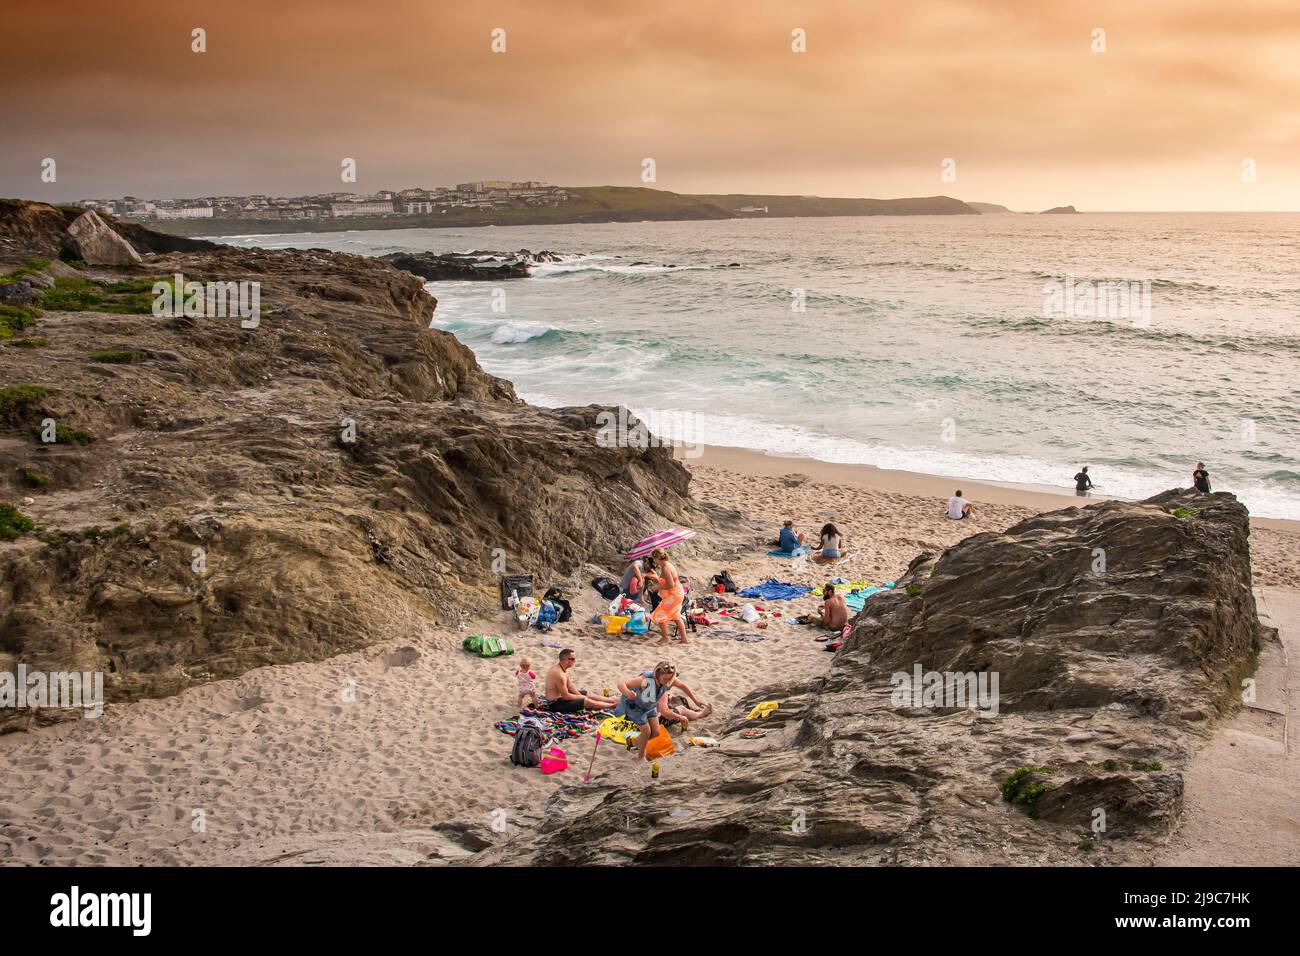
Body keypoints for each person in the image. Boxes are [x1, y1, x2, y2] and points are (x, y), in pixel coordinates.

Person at [615, 662, 692, 761]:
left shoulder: (666, 684)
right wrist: (628, 693)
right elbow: (621, 684)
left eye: (670, 679)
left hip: (649, 707)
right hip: (635, 707)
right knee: (646, 732)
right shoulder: (646, 679)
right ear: (657, 675)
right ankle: (641, 757)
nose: (668, 681)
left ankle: (633, 742)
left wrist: (697, 701)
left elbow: (683, 686)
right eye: (665, 679)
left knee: (656, 732)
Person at [544, 649, 618, 714]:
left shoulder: (562, 668)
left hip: (561, 698)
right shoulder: (559, 674)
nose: (575, 661)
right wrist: (581, 697)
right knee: (585, 701)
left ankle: (609, 700)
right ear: (565, 660)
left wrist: (579, 694)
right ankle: (611, 705)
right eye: (573, 659)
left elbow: (570, 685)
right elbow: (566, 696)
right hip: (555, 704)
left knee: (586, 693)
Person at [647, 548, 688, 645]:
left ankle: (666, 638)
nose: (653, 561)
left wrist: (658, 587)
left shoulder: (666, 568)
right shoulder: (666, 565)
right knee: (676, 616)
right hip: (678, 593)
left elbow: (670, 585)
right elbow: (665, 580)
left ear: (657, 558)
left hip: (674, 594)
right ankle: (684, 639)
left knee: (659, 615)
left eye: (653, 559)